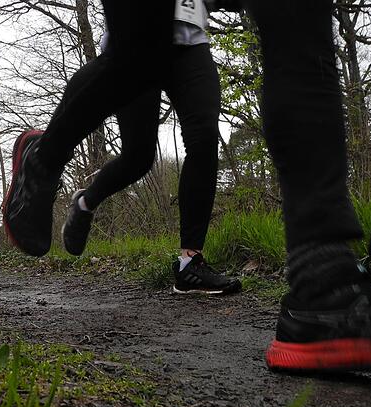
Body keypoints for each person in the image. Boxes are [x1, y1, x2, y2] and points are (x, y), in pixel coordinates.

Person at [3, 0, 371, 371]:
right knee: (138, 153)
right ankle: (50, 164)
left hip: (192, 37)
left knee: (211, 130)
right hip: (143, 38)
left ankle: (318, 281)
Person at [62, 0, 240, 295]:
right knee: (138, 157)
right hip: (135, 43)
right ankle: (85, 203)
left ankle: (189, 264)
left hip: (189, 39)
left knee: (204, 138)